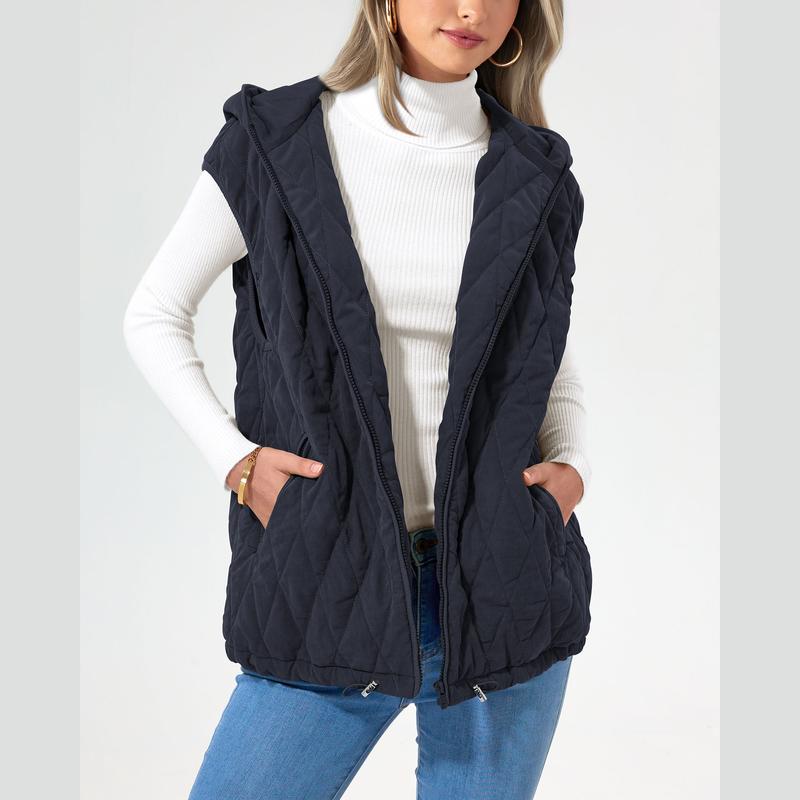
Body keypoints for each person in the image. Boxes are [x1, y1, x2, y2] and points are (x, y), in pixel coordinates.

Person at [123, 1, 593, 797]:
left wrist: (571, 466)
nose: (471, 9)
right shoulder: (274, 144)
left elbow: (551, 356)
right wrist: (236, 461)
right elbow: (154, 314)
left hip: (505, 587)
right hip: (328, 579)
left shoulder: (536, 174)